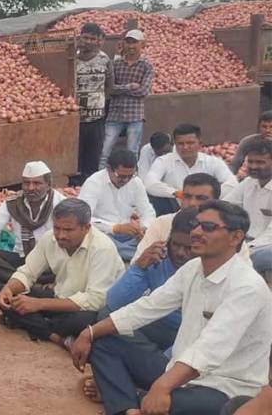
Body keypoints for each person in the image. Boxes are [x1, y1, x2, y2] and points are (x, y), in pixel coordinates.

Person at [71, 201, 272, 415]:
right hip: (177, 373)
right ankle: (129, 409)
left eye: (209, 227)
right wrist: (89, 332)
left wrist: (162, 386)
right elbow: (147, 307)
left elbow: (210, 348)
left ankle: (133, 400)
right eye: (196, 225)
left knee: (166, 404)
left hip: (223, 387)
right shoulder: (193, 268)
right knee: (103, 342)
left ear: (236, 237)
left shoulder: (247, 287)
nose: (196, 232)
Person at [0, 198, 123, 349]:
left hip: (88, 310)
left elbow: (95, 300)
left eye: (68, 230)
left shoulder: (103, 249)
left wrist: (38, 305)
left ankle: (33, 324)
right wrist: (10, 288)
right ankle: (57, 337)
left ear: (86, 228)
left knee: (82, 321)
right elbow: (28, 272)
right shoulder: (49, 238)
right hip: (59, 299)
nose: (60, 235)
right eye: (57, 228)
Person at [106, 208, 198, 352]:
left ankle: (154, 363)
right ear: (169, 239)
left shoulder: (206, 268)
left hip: (187, 335)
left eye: (189, 248)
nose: (180, 253)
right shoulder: (159, 256)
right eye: (176, 244)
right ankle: (151, 360)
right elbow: (114, 303)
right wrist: (139, 268)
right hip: (155, 322)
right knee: (106, 317)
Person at [0, 161, 67, 285]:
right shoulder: (12, 203)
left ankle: (19, 283)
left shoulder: (61, 204)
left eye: (37, 183)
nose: (30, 188)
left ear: (48, 184)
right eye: (26, 183)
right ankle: (23, 283)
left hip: (51, 262)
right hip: (22, 259)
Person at [78, 149, 157, 261]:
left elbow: (148, 211)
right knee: (101, 245)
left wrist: (143, 229)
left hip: (130, 236)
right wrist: (115, 228)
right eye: (121, 176)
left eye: (130, 176)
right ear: (109, 169)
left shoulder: (136, 182)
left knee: (156, 239)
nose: (125, 180)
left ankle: (134, 253)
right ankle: (136, 254)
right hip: (104, 234)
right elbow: (83, 218)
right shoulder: (94, 183)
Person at [145, 123, 236, 215]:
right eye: (180, 144)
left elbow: (232, 183)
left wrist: (209, 198)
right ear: (175, 145)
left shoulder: (213, 162)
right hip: (175, 211)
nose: (185, 147)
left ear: (200, 144)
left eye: (190, 143)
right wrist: (177, 193)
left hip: (207, 211)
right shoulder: (163, 161)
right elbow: (149, 183)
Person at [134, 173, 223, 261]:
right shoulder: (162, 223)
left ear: (215, 203)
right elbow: (137, 263)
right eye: (187, 197)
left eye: (201, 198)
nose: (192, 203)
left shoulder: (222, 230)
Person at [99, 29, 154, 169]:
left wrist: (120, 89)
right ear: (123, 44)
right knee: (105, 151)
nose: (131, 46)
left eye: (134, 42)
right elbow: (110, 89)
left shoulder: (146, 65)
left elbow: (143, 91)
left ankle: (131, 179)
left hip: (135, 116)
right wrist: (129, 87)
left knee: (132, 152)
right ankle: (100, 177)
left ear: (143, 44)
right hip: (114, 115)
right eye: (128, 42)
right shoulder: (115, 64)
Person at [224, 138, 272, 277]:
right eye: (250, 161)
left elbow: (270, 235)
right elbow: (226, 207)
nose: (253, 166)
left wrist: (244, 250)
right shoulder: (248, 183)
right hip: (246, 242)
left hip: (265, 246)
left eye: (260, 162)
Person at [75, 22, 112, 183]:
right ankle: (73, 187)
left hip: (96, 118)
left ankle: (89, 184)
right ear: (79, 38)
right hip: (74, 119)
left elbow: (110, 85)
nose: (88, 41)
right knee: (75, 157)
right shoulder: (71, 57)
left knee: (93, 157)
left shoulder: (104, 59)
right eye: (85, 37)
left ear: (98, 41)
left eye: (92, 38)